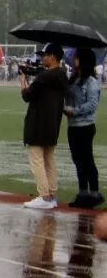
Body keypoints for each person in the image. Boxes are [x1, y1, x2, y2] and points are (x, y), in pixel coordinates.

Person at [19, 43, 68, 210]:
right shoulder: (62, 75)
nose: (42, 58)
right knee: (49, 159)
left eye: (45, 55)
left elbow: (28, 95)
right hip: (53, 123)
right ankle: (52, 195)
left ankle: (44, 196)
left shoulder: (45, 77)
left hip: (38, 122)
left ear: (53, 56)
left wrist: (23, 81)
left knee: (37, 159)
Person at [66, 48, 102, 208]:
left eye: (77, 57)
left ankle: (94, 193)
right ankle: (83, 192)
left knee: (87, 159)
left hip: (86, 126)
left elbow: (92, 104)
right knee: (77, 160)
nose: (74, 59)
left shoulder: (92, 82)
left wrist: (74, 111)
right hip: (73, 126)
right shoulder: (73, 79)